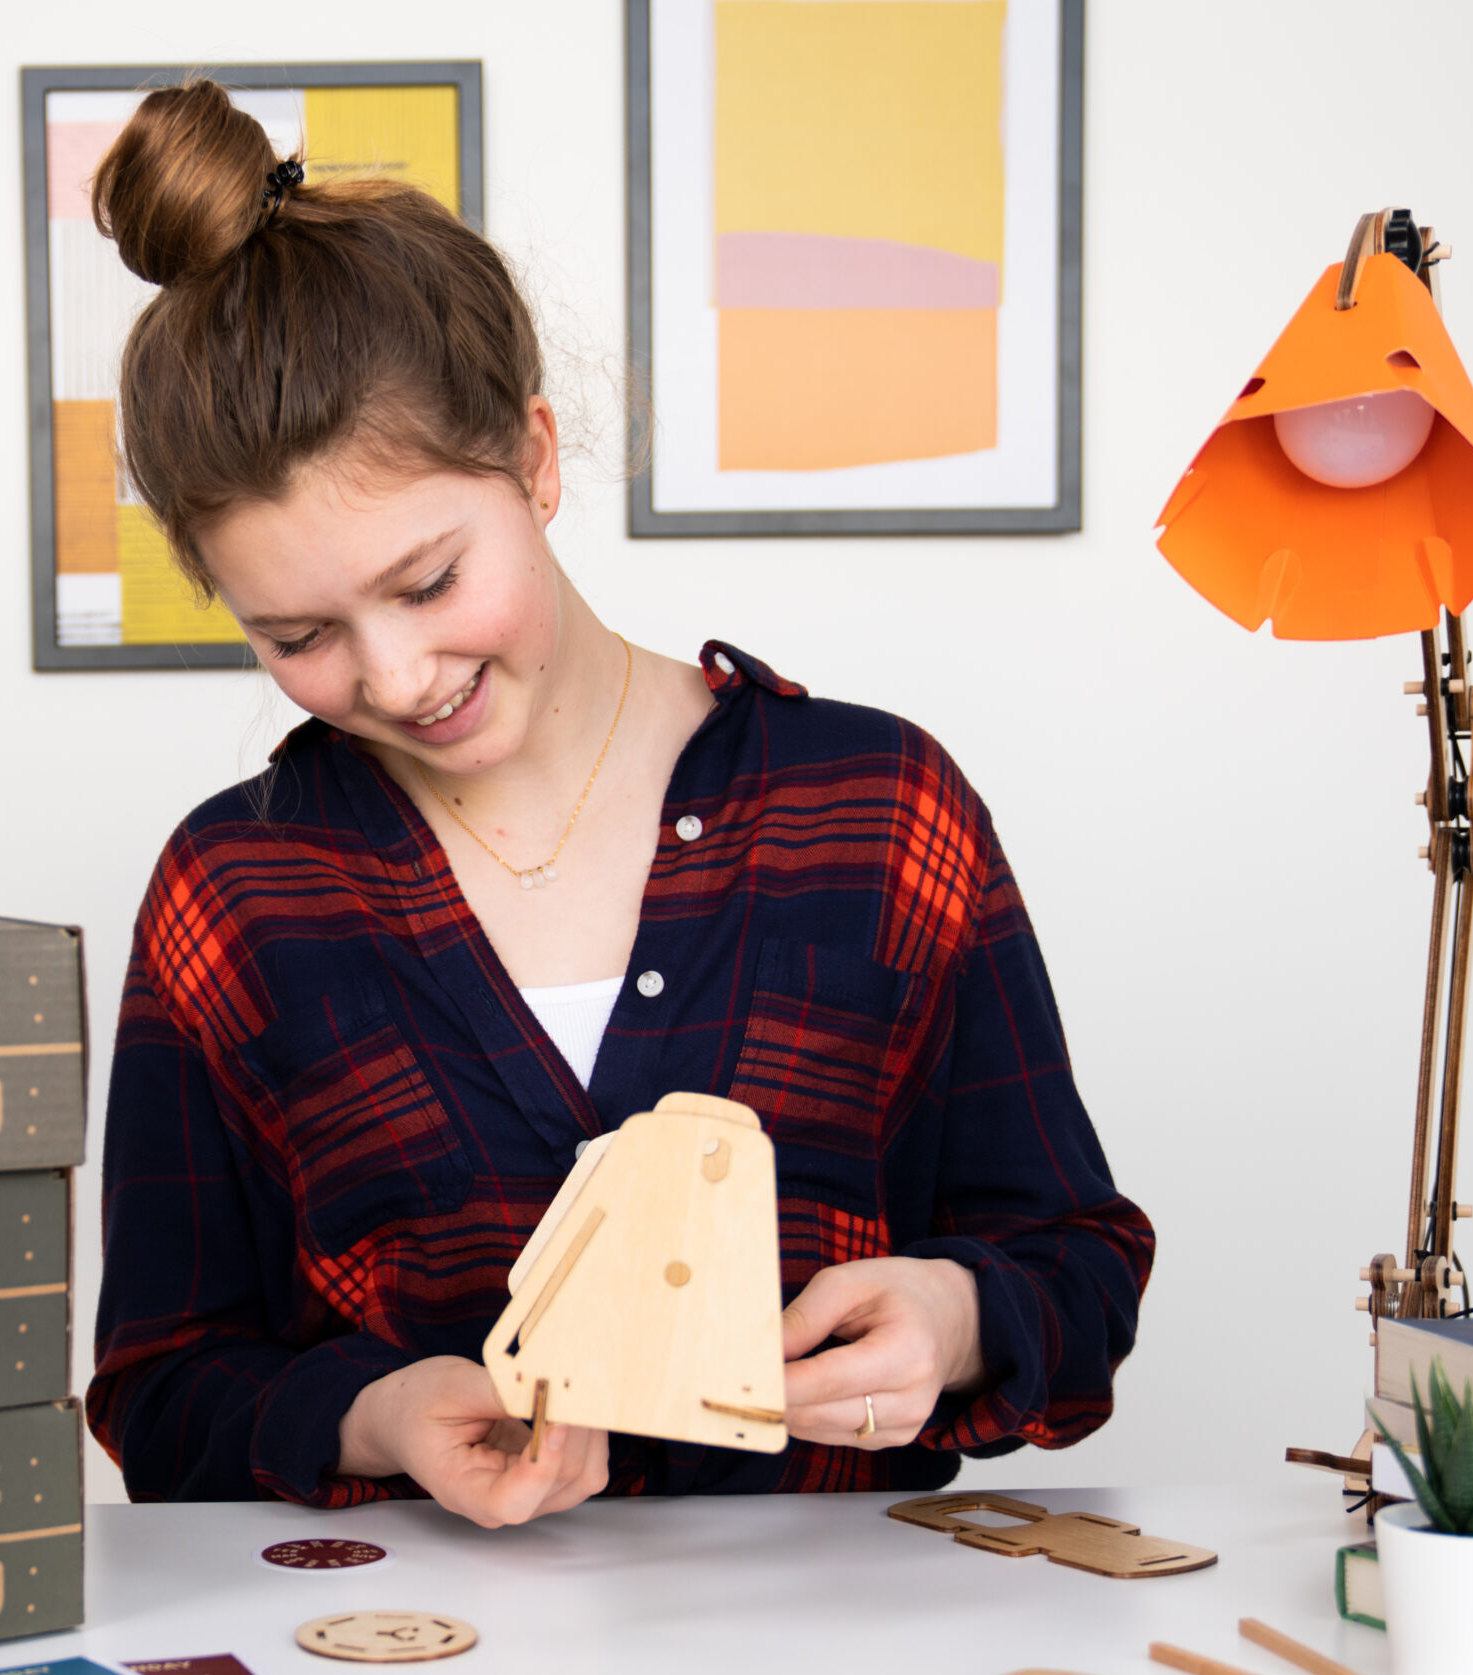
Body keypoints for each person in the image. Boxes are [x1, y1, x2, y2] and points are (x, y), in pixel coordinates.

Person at [85, 81, 1154, 1527]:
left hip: (839, 1669)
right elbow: (159, 1384)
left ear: (532, 455)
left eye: (427, 580)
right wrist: (371, 1410)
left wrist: (959, 1318)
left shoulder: (883, 808)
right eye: (298, 637)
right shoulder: (235, 891)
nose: (396, 675)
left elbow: (1077, 1261)